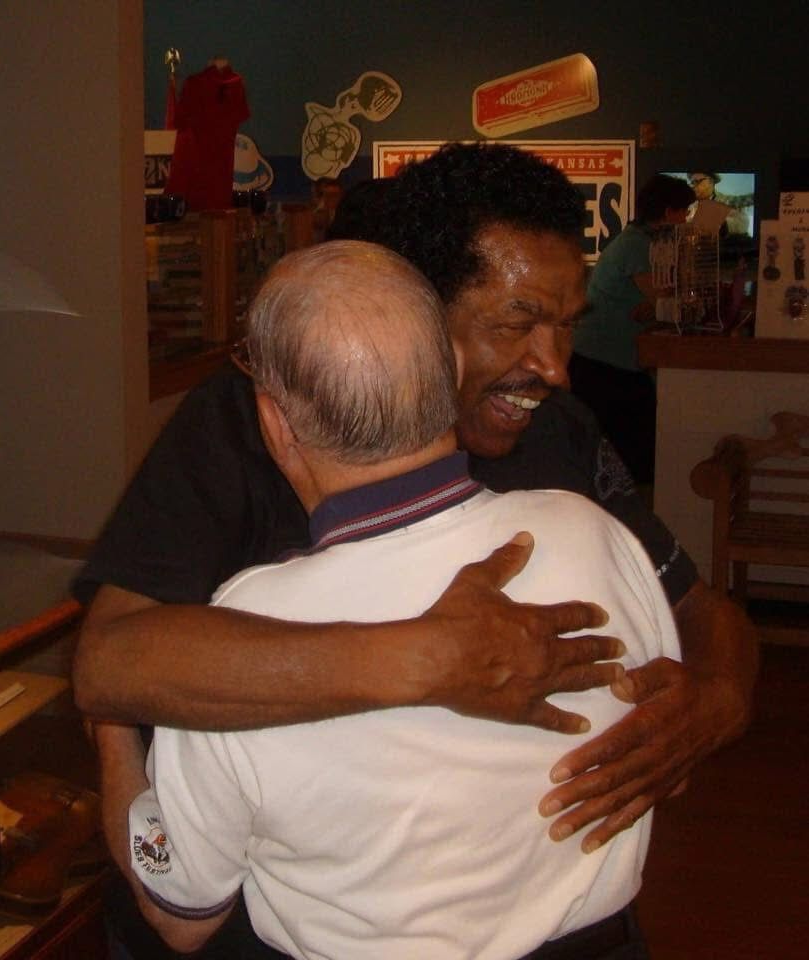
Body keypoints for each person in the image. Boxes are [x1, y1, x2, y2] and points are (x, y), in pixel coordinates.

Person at [74, 143, 757, 957]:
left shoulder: (557, 435)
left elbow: (704, 610)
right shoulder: (246, 421)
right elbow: (108, 665)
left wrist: (717, 700)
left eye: (566, 326)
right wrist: (423, 660)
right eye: (518, 322)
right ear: (414, 313)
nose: (555, 366)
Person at [569, 173, 696, 483]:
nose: (686, 219)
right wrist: (660, 307)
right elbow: (665, 300)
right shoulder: (638, 246)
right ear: (669, 212)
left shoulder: (639, 241)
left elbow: (656, 305)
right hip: (602, 360)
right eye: (684, 212)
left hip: (603, 358)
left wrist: (655, 309)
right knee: (633, 438)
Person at [688, 172, 754, 237]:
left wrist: (721, 225)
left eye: (697, 181)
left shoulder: (728, 202)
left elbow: (743, 223)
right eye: (692, 183)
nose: (693, 186)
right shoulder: (689, 205)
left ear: (711, 181)